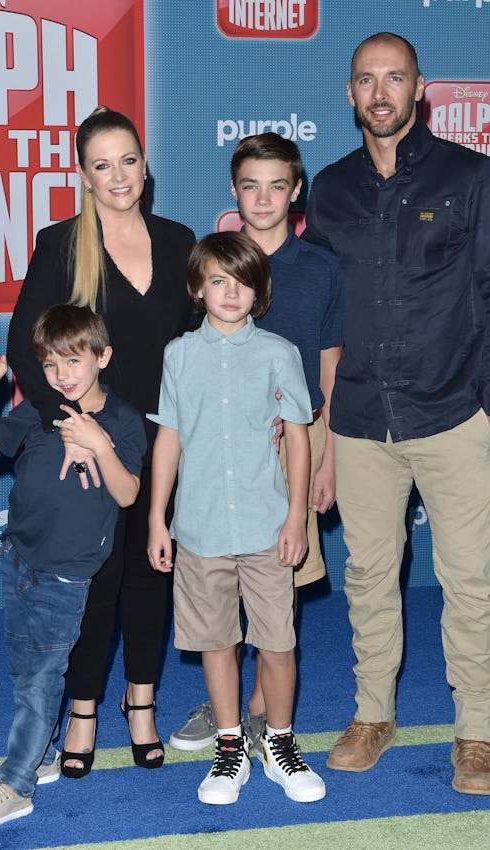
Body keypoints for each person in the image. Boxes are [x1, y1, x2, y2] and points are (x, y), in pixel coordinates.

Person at [303, 32, 490, 795]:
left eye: (393, 78)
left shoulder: (474, 178)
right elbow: (319, 309)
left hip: (452, 413)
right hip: (361, 418)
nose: (379, 92)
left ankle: (475, 732)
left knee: (470, 579)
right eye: (366, 79)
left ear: (419, 88)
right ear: (349, 93)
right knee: (368, 576)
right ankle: (374, 714)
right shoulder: (327, 190)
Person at [6, 107, 196, 776]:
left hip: (164, 446)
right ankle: (82, 710)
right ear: (81, 174)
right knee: (93, 583)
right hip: (88, 446)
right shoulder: (60, 243)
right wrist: (73, 428)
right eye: (102, 164)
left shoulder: (180, 242)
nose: (120, 175)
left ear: (146, 164)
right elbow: (25, 352)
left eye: (129, 160)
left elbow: (201, 346)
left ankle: (140, 705)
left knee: (152, 574)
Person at [169, 133, 342, 753]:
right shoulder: (214, 263)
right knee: (218, 583)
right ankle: (232, 717)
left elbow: (329, 371)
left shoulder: (320, 267)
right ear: (234, 191)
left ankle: (256, 713)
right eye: (250, 185)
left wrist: (330, 459)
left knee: (280, 586)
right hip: (220, 449)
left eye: (277, 185)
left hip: (295, 442)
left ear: (296, 192)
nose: (263, 198)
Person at [0, 305, 146, 831]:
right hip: (18, 560)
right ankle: (41, 753)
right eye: (51, 365)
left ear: (102, 358)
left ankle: (17, 784)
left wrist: (98, 444)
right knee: (24, 671)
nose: (62, 375)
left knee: (39, 678)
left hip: (67, 574)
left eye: (73, 361)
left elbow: (127, 494)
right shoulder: (40, 411)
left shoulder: (123, 420)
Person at [147, 232, 326, 805]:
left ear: (260, 291)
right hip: (198, 530)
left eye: (243, 281)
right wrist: (157, 517)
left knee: (277, 643)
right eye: (218, 280)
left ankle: (278, 742)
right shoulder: (179, 354)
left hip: (266, 527)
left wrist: (296, 516)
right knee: (216, 642)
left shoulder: (279, 353)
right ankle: (229, 749)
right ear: (198, 288)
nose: (230, 292)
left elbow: (297, 438)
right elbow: (169, 438)